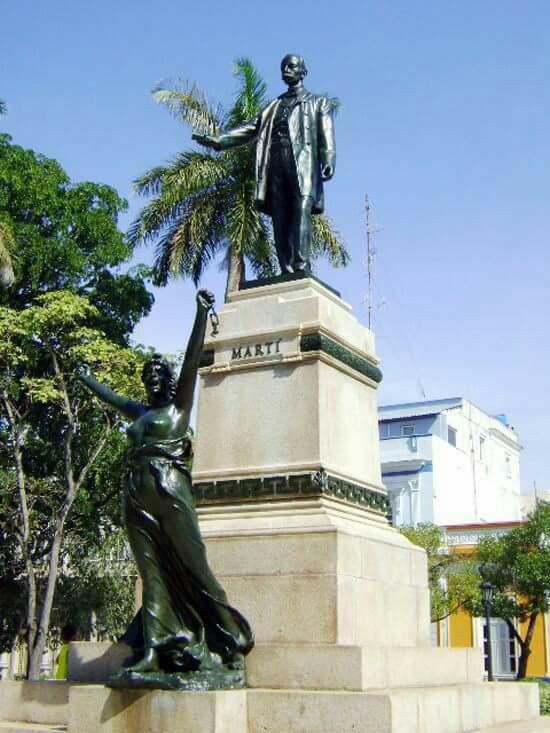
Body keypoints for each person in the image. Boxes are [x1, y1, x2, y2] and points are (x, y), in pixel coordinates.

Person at [78, 290, 253, 676]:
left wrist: (200, 314)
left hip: (170, 491)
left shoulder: (179, 407)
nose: (152, 380)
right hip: (136, 496)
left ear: (169, 381)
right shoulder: (140, 412)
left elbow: (192, 359)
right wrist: (85, 378)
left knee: (195, 568)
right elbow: (111, 398)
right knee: (151, 572)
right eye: (147, 376)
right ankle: (154, 649)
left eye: (158, 375)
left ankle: (230, 639)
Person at [193, 54, 336, 275]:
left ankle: (301, 265)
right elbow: (251, 128)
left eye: (291, 66)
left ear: (303, 72)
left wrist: (328, 158)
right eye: (283, 67)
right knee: (280, 215)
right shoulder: (273, 106)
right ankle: (285, 268)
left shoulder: (318, 102)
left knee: (301, 209)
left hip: (303, 162)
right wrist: (220, 140)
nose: (286, 70)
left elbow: (326, 133)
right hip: (276, 163)